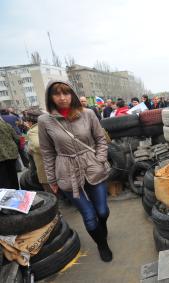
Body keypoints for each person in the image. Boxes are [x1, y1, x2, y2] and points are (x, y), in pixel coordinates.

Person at [38, 80, 113, 262]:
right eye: (57, 94)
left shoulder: (88, 114)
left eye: (66, 93)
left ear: (72, 94)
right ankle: (102, 245)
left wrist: (100, 159)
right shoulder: (44, 121)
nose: (62, 98)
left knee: (102, 211)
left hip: (92, 165)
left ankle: (101, 228)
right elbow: (47, 152)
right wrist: (52, 180)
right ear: (50, 97)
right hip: (66, 170)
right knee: (88, 216)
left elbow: (101, 139)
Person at [25, 108, 50, 192]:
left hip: (45, 168)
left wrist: (31, 148)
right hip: (58, 167)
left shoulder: (33, 131)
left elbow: (38, 146)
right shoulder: (48, 126)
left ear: (30, 121)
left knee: (52, 194)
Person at [0, 115, 19, 189]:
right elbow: (16, 137)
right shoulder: (6, 124)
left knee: (3, 179)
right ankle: (16, 192)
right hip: (11, 153)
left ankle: (7, 197)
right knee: (13, 175)